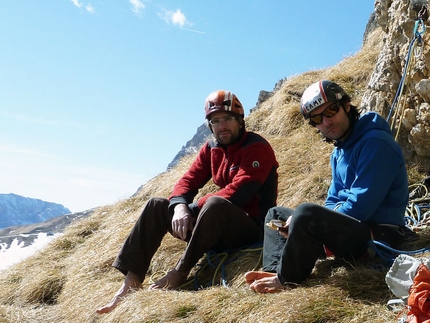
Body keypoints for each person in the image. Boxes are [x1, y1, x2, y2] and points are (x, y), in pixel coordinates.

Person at [97, 90, 279, 313]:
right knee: (156, 205)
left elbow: (240, 192)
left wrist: (193, 208)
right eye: (215, 121)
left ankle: (180, 272)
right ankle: (130, 282)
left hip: (250, 229)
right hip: (213, 228)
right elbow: (188, 180)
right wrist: (180, 206)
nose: (222, 126)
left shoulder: (256, 147)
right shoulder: (212, 149)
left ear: (240, 121)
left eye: (228, 119)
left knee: (215, 204)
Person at [244, 80, 416, 293]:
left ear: (346, 105)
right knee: (275, 214)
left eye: (331, 110)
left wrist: (304, 220)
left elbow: (360, 207)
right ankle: (275, 269)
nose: (326, 122)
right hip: (352, 229)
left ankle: (286, 280)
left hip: (380, 236)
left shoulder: (376, 142)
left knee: (306, 212)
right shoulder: (339, 151)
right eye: (317, 118)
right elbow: (333, 201)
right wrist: (302, 223)